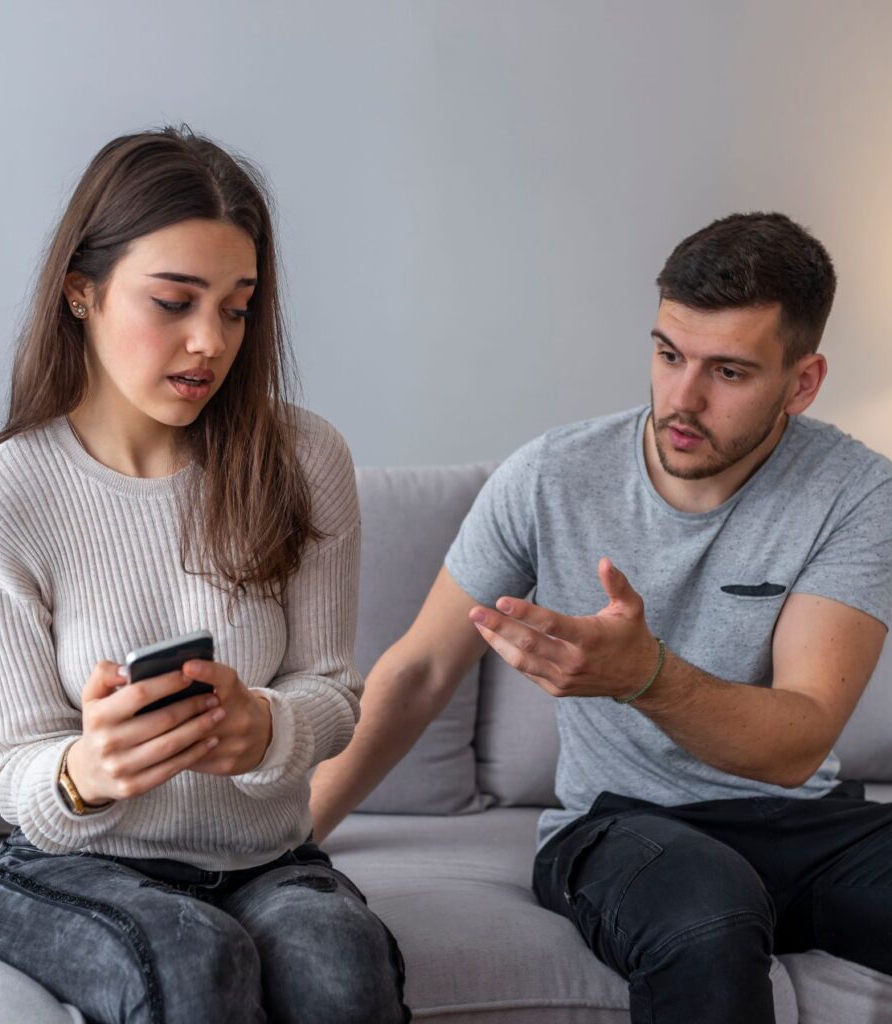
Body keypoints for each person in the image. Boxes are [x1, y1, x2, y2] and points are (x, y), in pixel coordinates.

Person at [310, 212, 892, 1024]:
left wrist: (645, 676)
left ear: (802, 382)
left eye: (728, 372)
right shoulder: (551, 476)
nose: (681, 398)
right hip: (620, 826)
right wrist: (291, 834)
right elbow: (420, 670)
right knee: (708, 917)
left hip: (804, 822)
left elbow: (797, 743)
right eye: (668, 354)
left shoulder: (856, 493)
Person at [0, 127, 410, 1024]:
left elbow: (333, 690)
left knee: (339, 967)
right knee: (192, 955)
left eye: (236, 307)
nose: (207, 342)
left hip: (266, 858)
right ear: (81, 291)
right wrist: (86, 771)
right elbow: (13, 767)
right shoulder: (6, 492)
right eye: (174, 302)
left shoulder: (302, 457)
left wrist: (267, 730)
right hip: (74, 866)